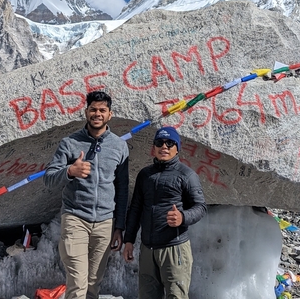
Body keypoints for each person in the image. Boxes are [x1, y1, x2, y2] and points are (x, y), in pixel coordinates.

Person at [44, 90, 129, 299]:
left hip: (105, 223)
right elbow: (49, 178)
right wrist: (70, 172)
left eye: (102, 110)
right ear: (86, 112)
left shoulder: (120, 146)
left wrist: (119, 227)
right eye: (93, 109)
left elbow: (123, 187)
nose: (97, 114)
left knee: (93, 284)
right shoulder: (69, 143)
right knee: (78, 282)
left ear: (110, 114)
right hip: (75, 218)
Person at [123, 126, 207, 299]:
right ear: (154, 147)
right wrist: (129, 240)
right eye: (159, 143)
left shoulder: (187, 175)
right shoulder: (145, 175)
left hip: (174, 248)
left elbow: (200, 207)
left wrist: (182, 217)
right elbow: (136, 209)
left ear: (177, 148)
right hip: (148, 249)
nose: (164, 147)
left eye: (170, 143)